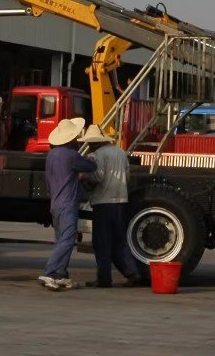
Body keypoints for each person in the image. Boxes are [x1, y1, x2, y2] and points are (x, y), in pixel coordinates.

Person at [79, 125, 145, 287]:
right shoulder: (120, 152)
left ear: (94, 143)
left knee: (102, 242)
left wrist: (85, 180)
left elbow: (98, 176)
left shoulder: (96, 155)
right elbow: (127, 176)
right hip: (121, 201)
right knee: (119, 240)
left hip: (103, 203)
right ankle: (132, 273)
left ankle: (104, 279)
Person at [38, 116, 95, 291]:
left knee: (60, 239)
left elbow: (49, 180)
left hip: (55, 202)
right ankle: (50, 272)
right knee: (68, 240)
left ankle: (60, 274)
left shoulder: (51, 155)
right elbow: (90, 167)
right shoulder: (71, 155)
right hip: (68, 203)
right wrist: (93, 159)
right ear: (70, 138)